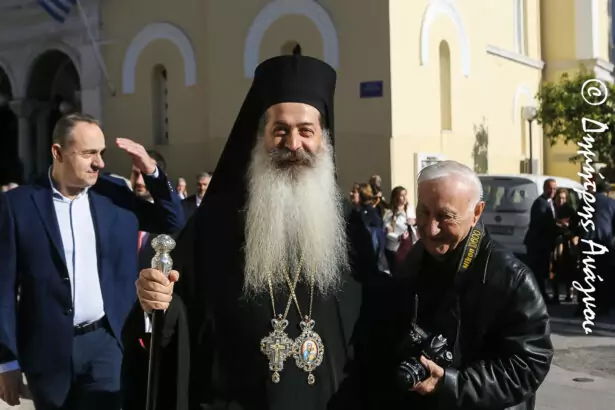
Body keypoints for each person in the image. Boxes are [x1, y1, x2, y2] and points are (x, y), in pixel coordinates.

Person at [124, 50, 380, 410]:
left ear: (324, 139)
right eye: (281, 130)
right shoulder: (215, 224)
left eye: (306, 131)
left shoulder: (348, 228)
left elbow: (376, 325)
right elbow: (175, 319)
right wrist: (154, 303)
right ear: (260, 136)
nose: (293, 144)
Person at [0, 113, 185, 410]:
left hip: (106, 343)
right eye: (88, 153)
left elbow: (172, 220)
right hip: (47, 350)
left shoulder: (115, 194)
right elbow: (4, 288)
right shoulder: (17, 205)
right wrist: (6, 361)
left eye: (102, 153)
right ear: (58, 152)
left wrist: (151, 171)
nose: (99, 162)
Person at [373, 161, 553, 409]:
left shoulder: (511, 277)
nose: (431, 229)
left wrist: (449, 384)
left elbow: (529, 365)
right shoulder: (416, 258)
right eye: (424, 212)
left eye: (445, 216)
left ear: (477, 212)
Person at [524, 178, 558, 302]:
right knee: (539, 270)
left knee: (543, 270)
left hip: (544, 243)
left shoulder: (550, 202)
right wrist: (557, 225)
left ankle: (542, 294)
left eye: (554, 189)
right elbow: (541, 224)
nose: (552, 191)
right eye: (550, 188)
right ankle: (540, 296)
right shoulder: (540, 203)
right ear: (544, 188)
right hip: (537, 244)